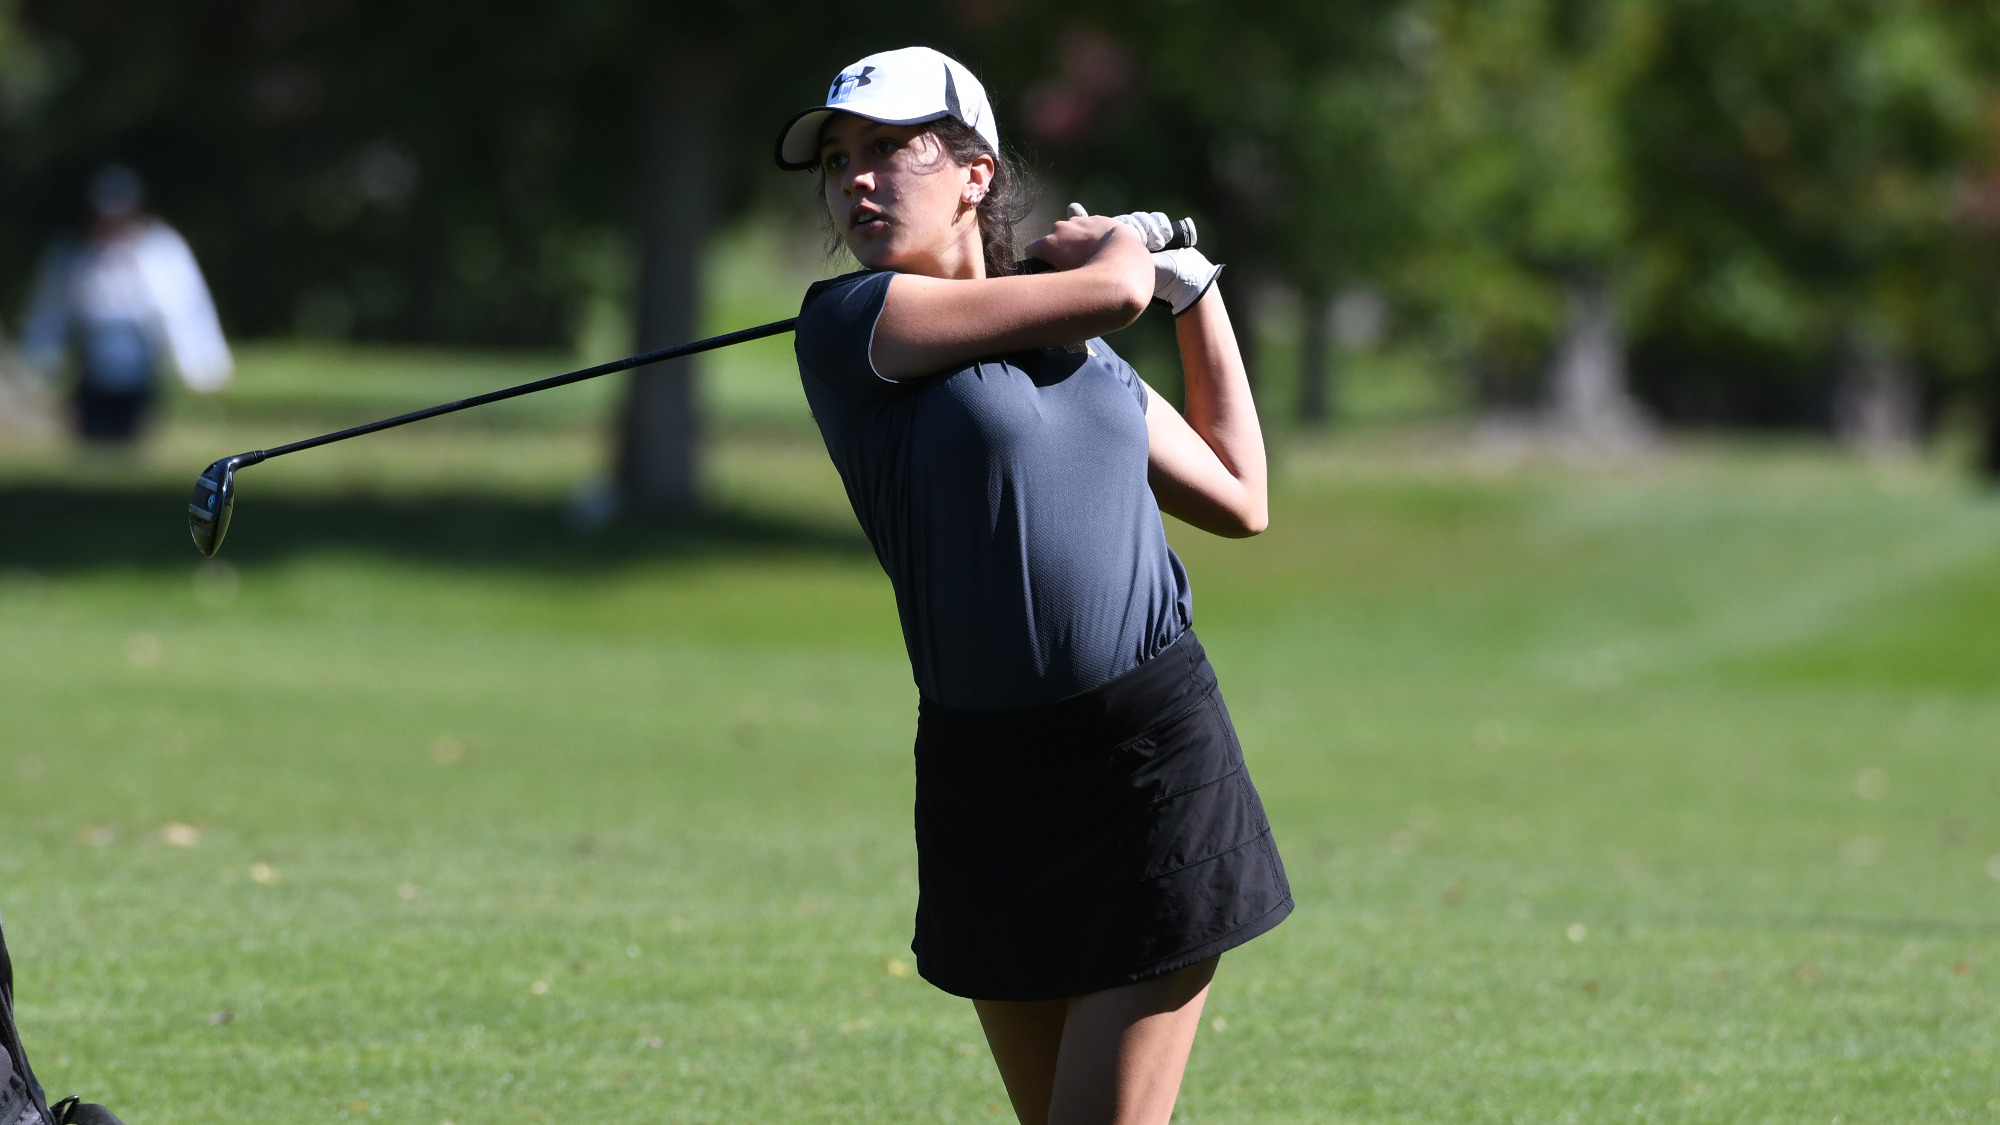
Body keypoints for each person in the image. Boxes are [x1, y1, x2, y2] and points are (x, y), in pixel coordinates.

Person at [777, 47, 1291, 1124]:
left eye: (885, 150)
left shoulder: (1081, 347)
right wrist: (1123, 249)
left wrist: (1193, 294)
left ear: (974, 172)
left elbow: (1241, 496)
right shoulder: (850, 325)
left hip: (1145, 763)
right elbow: (1109, 287)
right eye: (836, 162)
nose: (856, 180)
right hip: (985, 779)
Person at [19, 164, 232, 443]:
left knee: (131, 431)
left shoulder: (162, 249)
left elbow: (186, 309)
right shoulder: (70, 252)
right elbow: (49, 310)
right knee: (94, 435)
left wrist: (204, 367)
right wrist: (38, 364)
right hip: (91, 360)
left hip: (141, 359)